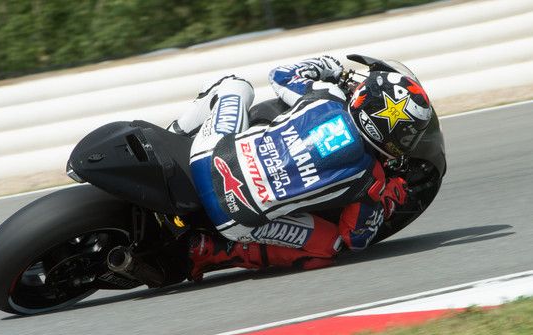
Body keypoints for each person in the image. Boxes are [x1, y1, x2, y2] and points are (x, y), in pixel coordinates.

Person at [167, 55, 432, 281]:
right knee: (331, 246)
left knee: (235, 85)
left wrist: (327, 67)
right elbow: (356, 238)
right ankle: (218, 249)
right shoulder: (371, 177)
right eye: (406, 135)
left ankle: (172, 136)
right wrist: (388, 199)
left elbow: (280, 75)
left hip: (207, 158)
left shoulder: (327, 97)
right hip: (233, 218)